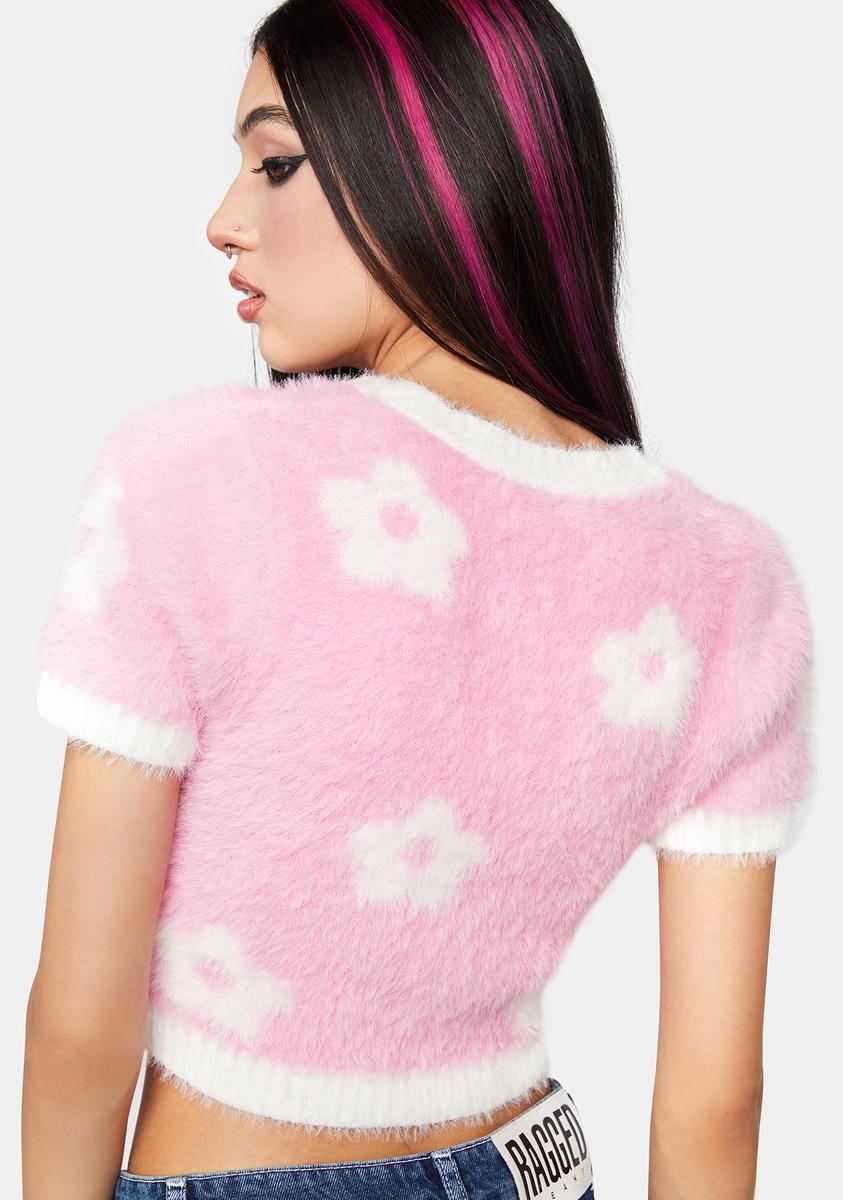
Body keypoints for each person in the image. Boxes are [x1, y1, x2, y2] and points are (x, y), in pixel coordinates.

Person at [22, 2, 816, 1198]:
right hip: (534, 1162)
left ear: (428, 167)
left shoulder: (200, 480)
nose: (222, 219)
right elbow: (716, 1104)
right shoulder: (729, 579)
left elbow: (84, 1026)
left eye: (274, 163)